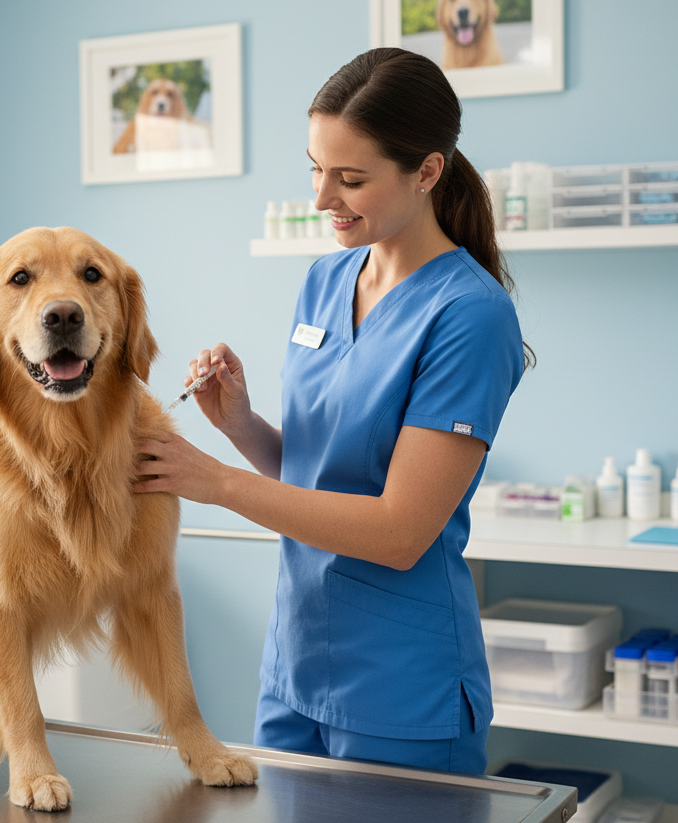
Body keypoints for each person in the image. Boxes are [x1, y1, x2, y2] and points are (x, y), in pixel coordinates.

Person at [134, 48, 532, 775]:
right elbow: (320, 474)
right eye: (315, 168)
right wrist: (241, 425)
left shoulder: (470, 316)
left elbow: (399, 530)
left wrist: (216, 480)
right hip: (295, 664)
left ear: (428, 172)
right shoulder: (327, 277)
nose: (322, 197)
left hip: (399, 686)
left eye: (350, 179)